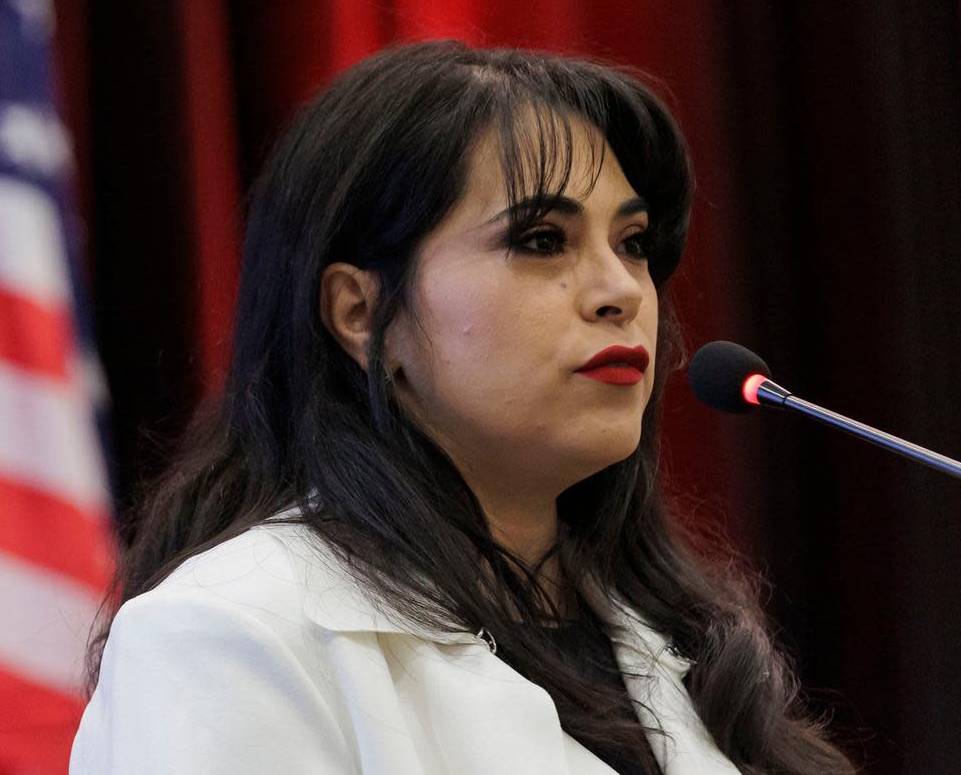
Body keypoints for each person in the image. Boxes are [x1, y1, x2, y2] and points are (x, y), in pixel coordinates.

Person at [71, 41, 854, 774]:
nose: (622, 291)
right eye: (543, 239)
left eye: (635, 243)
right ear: (361, 313)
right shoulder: (229, 633)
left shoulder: (683, 638)